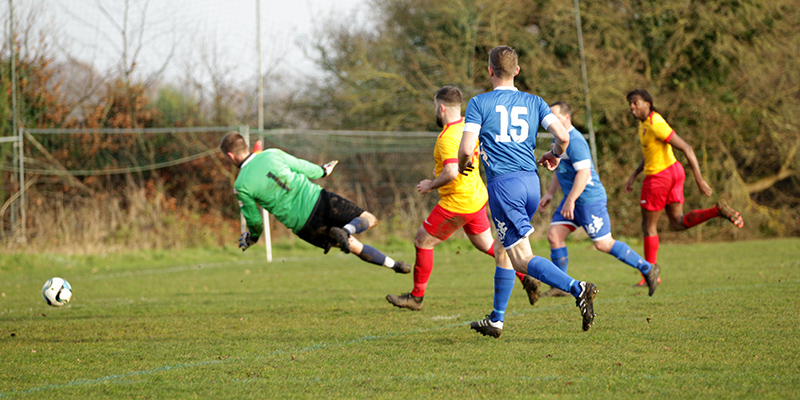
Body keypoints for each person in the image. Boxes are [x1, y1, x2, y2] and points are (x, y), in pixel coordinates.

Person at [458, 45, 599, 338]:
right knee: (503, 248)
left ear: (490, 70)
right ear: (517, 71)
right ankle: (496, 320)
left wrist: (463, 165)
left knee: (521, 257)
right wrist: (555, 154)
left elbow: (465, 149)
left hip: (504, 186)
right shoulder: (535, 101)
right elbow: (563, 136)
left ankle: (578, 288)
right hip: (530, 183)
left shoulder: (479, 103)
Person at [385, 86, 540, 311]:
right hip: (476, 196)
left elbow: (451, 172)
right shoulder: (469, 124)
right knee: (487, 245)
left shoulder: (447, 137)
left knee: (422, 241)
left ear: (441, 108)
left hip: (457, 202)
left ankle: (416, 298)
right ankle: (526, 277)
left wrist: (431, 184)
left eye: (435, 107)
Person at [219, 131, 412, 274]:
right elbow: (302, 166)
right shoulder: (272, 154)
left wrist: (252, 237)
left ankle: (395, 266)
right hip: (319, 200)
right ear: (245, 146)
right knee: (369, 219)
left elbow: (255, 222)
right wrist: (322, 171)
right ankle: (347, 230)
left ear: (230, 155)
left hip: (305, 226)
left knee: (353, 246)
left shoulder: (241, 185)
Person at [539, 101, 659, 297]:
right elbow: (559, 169)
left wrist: (570, 200)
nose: (552, 120)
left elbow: (584, 173)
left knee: (603, 244)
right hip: (573, 200)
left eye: (556, 116)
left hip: (589, 200)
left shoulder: (575, 141)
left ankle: (647, 268)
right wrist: (550, 194)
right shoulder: (558, 140)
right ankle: (561, 285)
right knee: (554, 236)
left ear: (567, 117)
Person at [624, 89, 744, 286]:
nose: (632, 107)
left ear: (647, 103)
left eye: (635, 102)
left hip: (659, 178)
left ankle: (650, 275)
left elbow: (687, 148)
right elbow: (650, 153)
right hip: (673, 173)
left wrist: (700, 180)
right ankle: (716, 211)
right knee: (678, 223)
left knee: (649, 226)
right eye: (630, 103)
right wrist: (634, 175)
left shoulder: (656, 123)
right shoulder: (644, 124)